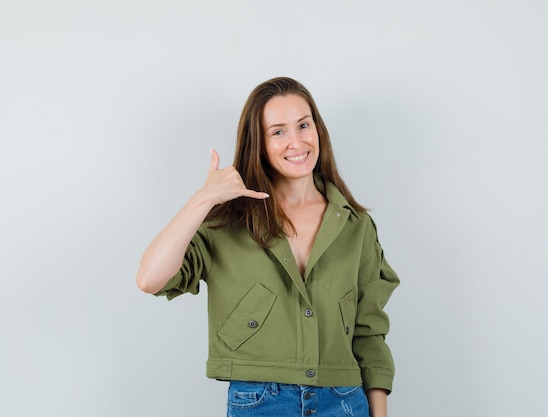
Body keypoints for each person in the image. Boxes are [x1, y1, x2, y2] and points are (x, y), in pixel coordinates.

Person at [136, 76, 400, 417]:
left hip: (345, 401)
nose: (296, 142)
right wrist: (204, 198)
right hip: (261, 402)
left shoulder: (354, 225)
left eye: (304, 125)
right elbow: (149, 278)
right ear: (258, 143)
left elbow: (370, 333)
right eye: (278, 131)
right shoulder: (227, 220)